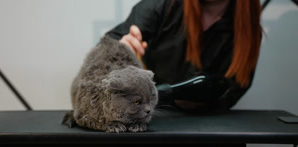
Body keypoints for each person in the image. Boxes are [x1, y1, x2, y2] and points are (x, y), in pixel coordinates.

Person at [106, 0, 262, 112]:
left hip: (205, 130)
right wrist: (120, 51)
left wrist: (202, 103)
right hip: (152, 120)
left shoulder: (248, 31)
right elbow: (104, 54)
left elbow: (235, 89)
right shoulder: (161, 5)